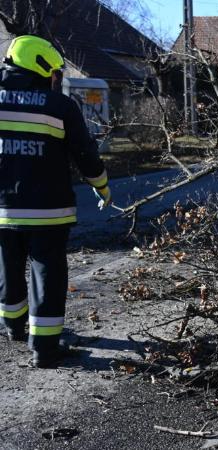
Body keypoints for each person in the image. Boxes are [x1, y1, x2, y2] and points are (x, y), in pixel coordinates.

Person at [0, 35, 111, 368]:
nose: (55, 78)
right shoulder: (59, 106)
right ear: (41, 66)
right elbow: (84, 154)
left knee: (7, 268)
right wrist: (102, 186)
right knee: (46, 273)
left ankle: (13, 327)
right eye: (54, 72)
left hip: (2, 210)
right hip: (48, 210)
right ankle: (45, 349)